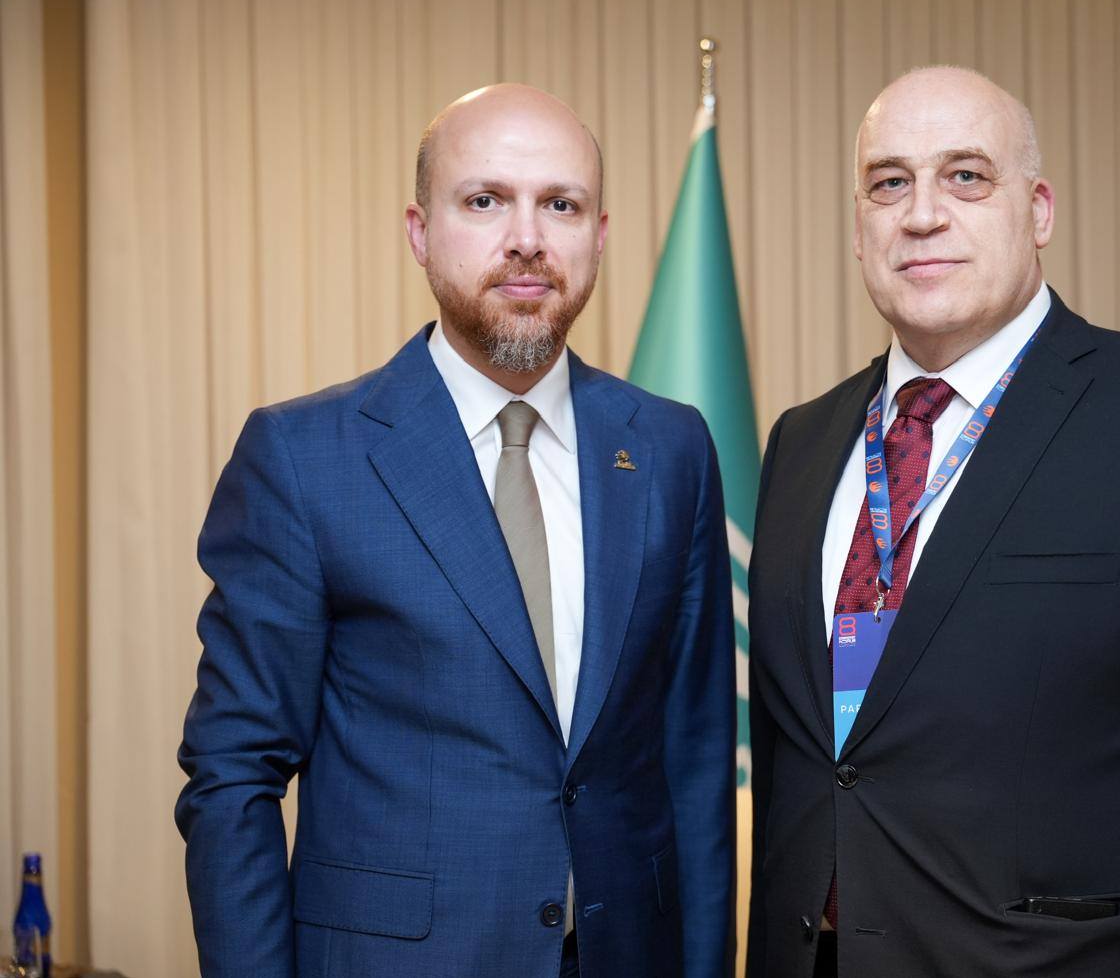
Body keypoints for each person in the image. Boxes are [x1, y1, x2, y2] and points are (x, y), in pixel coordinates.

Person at [744, 67, 1120, 978]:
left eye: (966, 177)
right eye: (889, 183)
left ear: (1038, 212)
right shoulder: (803, 443)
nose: (922, 215)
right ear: (859, 227)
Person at [177, 84, 735, 978]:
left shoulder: (673, 450)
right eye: (485, 201)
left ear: (599, 235)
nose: (527, 237)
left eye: (561, 204)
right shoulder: (303, 458)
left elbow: (697, 761)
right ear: (419, 231)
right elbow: (232, 775)